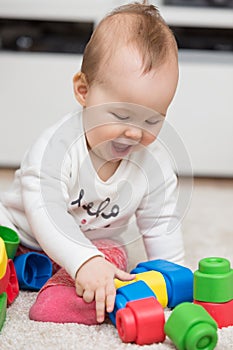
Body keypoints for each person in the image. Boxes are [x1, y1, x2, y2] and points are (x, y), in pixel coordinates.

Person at [0, 1, 184, 325]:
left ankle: (70, 295)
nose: (134, 132)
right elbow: (49, 213)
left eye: (153, 121)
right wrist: (82, 260)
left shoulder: (153, 163)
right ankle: (23, 269)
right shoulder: (55, 148)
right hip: (23, 232)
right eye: (122, 115)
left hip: (93, 247)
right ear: (83, 91)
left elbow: (162, 219)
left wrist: (171, 279)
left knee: (112, 262)